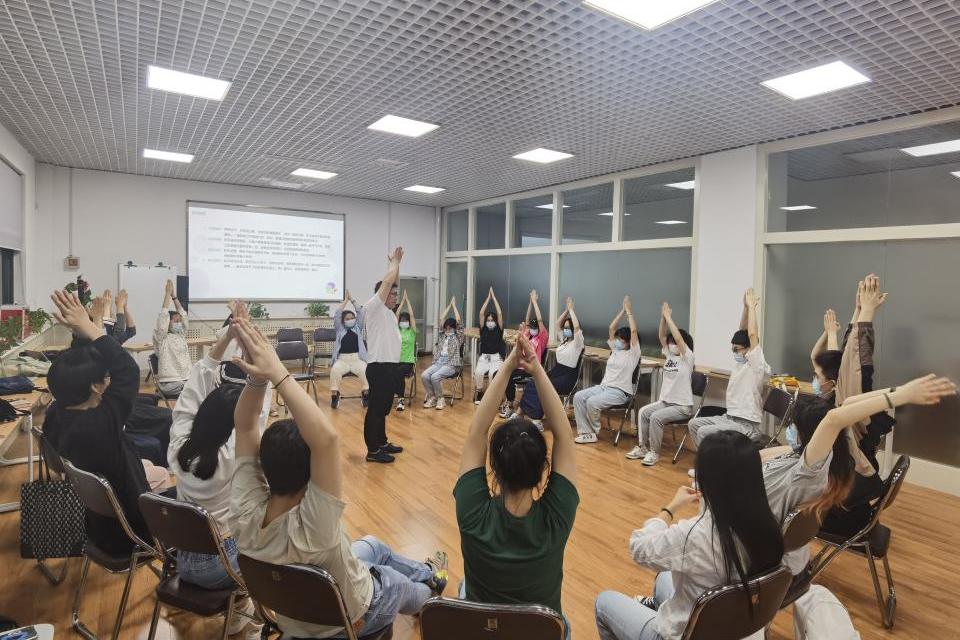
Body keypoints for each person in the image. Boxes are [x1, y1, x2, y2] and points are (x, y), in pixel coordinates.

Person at [594, 373, 955, 640]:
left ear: (810, 434)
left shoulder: (807, 473)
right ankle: (657, 607)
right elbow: (840, 412)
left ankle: (656, 616)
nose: (789, 432)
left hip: (718, 580)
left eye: (794, 426)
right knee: (664, 582)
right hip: (755, 573)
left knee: (613, 599)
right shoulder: (811, 459)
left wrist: (901, 395)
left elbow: (834, 418)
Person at [227, 319, 449, 638]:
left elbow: (246, 425)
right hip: (353, 616)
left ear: (263, 467)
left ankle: (427, 571)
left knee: (374, 546)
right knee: (397, 584)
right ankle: (431, 596)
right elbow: (326, 440)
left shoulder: (244, 515)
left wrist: (258, 378)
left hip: (295, 615)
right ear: (311, 473)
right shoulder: (314, 527)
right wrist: (276, 371)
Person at [455, 334, 579, 636]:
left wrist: (509, 365)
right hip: (539, 633)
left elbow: (476, 433)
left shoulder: (473, 516)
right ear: (543, 469)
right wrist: (536, 367)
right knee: (563, 624)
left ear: (494, 469)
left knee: (463, 586)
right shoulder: (555, 520)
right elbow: (564, 435)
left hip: (483, 632)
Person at [43, 290, 169, 556]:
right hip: (134, 532)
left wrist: (81, 332)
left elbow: (77, 368)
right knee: (171, 481)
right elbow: (128, 371)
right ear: (95, 386)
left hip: (98, 525)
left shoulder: (56, 414)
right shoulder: (101, 425)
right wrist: (89, 326)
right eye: (105, 378)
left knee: (150, 465)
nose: (109, 380)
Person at [167, 305, 265, 638]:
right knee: (279, 539)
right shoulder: (232, 455)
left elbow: (196, 383)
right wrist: (246, 338)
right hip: (222, 565)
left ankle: (239, 610)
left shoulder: (178, 447)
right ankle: (252, 615)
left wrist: (228, 337)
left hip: (183, 561)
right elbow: (257, 409)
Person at [687, 288, 770, 448]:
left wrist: (752, 307)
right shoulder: (741, 363)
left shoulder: (756, 365)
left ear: (748, 349)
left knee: (704, 432)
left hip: (746, 425)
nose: (734, 353)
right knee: (694, 424)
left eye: (736, 349)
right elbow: (742, 331)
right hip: (729, 417)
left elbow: (752, 335)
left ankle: (710, 462)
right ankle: (707, 460)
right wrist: (745, 308)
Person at [628, 302, 695, 466]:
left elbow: (678, 338)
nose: (671, 344)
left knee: (656, 417)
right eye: (670, 343)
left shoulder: (688, 358)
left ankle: (654, 452)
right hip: (666, 402)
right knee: (643, 412)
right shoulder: (669, 356)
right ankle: (643, 447)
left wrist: (669, 317)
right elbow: (661, 336)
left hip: (682, 406)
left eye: (674, 343)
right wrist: (662, 318)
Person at [573, 296, 641, 444]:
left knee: (592, 402)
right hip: (604, 387)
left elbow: (634, 331)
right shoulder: (615, 350)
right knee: (578, 397)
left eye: (621, 339)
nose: (617, 341)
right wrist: (622, 310)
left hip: (620, 392)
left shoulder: (633, 354)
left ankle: (593, 431)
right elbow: (611, 328)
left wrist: (629, 312)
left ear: (628, 342)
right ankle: (586, 432)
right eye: (617, 339)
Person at [362, 248, 406, 463]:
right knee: (376, 410)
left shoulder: (388, 313)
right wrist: (394, 263)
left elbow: (392, 283)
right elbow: (387, 283)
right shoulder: (373, 308)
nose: (395, 297)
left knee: (384, 409)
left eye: (396, 295)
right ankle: (372, 451)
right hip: (378, 367)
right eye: (392, 294)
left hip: (389, 367)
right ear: (381, 295)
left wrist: (397, 267)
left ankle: (381, 442)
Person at [516, 296, 584, 427]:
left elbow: (576, 328)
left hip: (567, 378)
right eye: (565, 328)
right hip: (555, 372)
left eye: (568, 328)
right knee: (532, 382)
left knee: (540, 385)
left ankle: (536, 419)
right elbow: (558, 324)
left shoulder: (578, 343)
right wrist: (566, 310)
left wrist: (571, 310)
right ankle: (520, 413)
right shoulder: (564, 341)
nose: (565, 330)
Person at [500, 290, 549, 418]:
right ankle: (510, 403)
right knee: (505, 372)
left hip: (530, 370)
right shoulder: (528, 334)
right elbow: (527, 320)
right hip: (521, 367)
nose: (532, 329)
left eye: (535, 327)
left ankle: (513, 406)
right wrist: (530, 302)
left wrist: (535, 302)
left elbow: (539, 320)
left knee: (511, 377)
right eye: (531, 327)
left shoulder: (542, 338)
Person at [421, 297, 464, 410]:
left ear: (454, 328)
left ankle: (441, 399)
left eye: (450, 328)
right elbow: (441, 319)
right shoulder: (442, 336)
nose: (447, 330)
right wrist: (449, 305)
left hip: (451, 364)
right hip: (439, 362)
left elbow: (459, 321)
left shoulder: (458, 337)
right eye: (446, 328)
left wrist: (454, 306)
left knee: (435, 377)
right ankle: (432, 397)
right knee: (424, 376)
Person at [330, 290, 369, 410]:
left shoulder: (358, 327)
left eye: (352, 318)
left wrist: (352, 299)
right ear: (343, 321)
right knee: (335, 371)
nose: (350, 320)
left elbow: (361, 311)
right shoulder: (340, 329)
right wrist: (345, 300)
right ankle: (335, 395)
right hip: (342, 360)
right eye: (347, 318)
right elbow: (337, 313)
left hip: (357, 359)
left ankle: (365, 394)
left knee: (366, 371)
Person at [153, 279, 190, 396]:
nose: (179, 323)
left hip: (185, 380)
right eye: (176, 321)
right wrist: (167, 294)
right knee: (196, 390)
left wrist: (174, 297)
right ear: (167, 323)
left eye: (179, 321)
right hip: (170, 383)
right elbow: (163, 317)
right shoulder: (162, 338)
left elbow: (183, 315)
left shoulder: (181, 335)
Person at [473, 286, 506, 405]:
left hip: (496, 358)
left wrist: (494, 298)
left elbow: (500, 313)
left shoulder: (499, 329)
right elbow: (481, 313)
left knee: (492, 374)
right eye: (488, 320)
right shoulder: (483, 329)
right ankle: (479, 392)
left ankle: (492, 396)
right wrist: (488, 298)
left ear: (495, 321)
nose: (490, 322)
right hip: (484, 358)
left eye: (492, 320)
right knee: (478, 373)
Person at [395, 291, 417, 412]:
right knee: (388, 372)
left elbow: (412, 316)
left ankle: (401, 400)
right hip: (396, 361)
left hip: (408, 362)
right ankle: (394, 395)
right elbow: (396, 315)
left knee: (398, 373)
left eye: (406, 320)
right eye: (402, 320)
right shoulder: (396, 330)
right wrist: (401, 301)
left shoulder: (412, 332)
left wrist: (407, 301)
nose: (403, 321)